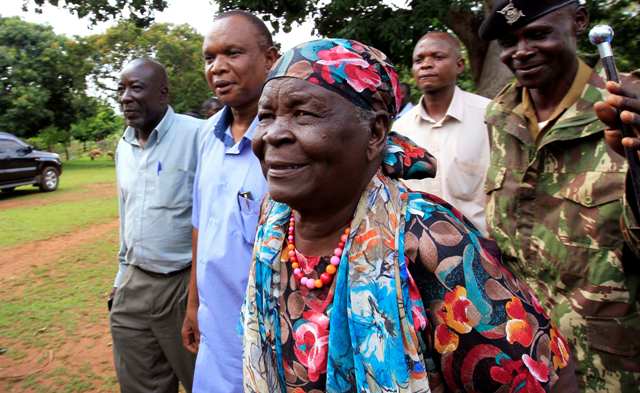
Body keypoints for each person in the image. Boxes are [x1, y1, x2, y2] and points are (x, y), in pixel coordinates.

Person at [241, 38, 574, 393]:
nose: (273, 134)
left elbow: (548, 380)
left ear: (376, 131)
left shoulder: (430, 240)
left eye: (303, 113)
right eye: (267, 116)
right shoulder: (274, 221)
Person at [479, 1, 640, 391]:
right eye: (508, 41)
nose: (521, 51)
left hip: (615, 366)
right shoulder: (501, 116)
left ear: (579, 21)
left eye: (538, 34)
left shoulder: (625, 108)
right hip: (529, 360)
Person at [181, 10, 278, 393]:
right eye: (210, 57)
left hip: (269, 334)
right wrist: (193, 304)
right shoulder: (206, 136)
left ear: (270, 58)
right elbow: (200, 226)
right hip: (215, 328)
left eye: (233, 53)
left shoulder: (287, 139)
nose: (218, 68)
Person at [109, 58, 202, 393]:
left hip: (184, 287)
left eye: (136, 87)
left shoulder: (199, 136)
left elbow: (212, 218)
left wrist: (198, 296)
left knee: (202, 382)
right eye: (121, 89)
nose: (125, 97)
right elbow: (126, 213)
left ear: (163, 93)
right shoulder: (124, 145)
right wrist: (122, 277)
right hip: (133, 283)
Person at [392, 32, 491, 235]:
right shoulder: (400, 130)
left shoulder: (490, 117)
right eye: (419, 60)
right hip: (420, 254)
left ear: (460, 65)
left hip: (483, 251)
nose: (426, 65)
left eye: (438, 57)